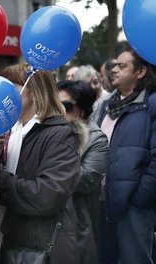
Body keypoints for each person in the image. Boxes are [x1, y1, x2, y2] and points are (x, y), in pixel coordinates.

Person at [0, 63, 82, 264]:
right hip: (12, 241)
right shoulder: (10, 130)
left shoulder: (60, 134)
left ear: (34, 92)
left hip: (43, 245)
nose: (4, 96)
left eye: (12, 89)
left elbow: (47, 195)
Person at [97, 44, 156, 264]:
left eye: (122, 66)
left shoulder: (151, 104)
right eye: (114, 65)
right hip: (105, 199)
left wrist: (140, 197)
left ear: (140, 72)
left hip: (134, 205)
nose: (114, 69)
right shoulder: (106, 105)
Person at [57, 80, 109, 264]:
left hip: (78, 223)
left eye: (67, 106)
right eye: (56, 104)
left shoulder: (97, 140)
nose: (60, 111)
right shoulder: (50, 131)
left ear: (83, 109)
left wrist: (55, 161)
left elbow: (86, 181)